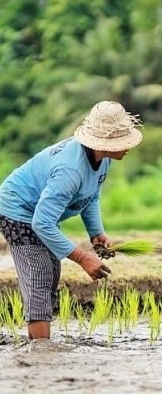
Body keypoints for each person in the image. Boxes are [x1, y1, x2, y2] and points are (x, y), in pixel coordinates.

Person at [0, 101, 143, 340]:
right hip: (17, 212)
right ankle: (41, 351)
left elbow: (91, 194)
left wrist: (96, 232)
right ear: (104, 143)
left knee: (51, 273)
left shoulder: (102, 158)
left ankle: (41, 341)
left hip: (39, 215)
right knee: (39, 275)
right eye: (122, 142)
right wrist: (83, 258)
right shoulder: (70, 170)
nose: (128, 147)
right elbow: (42, 223)